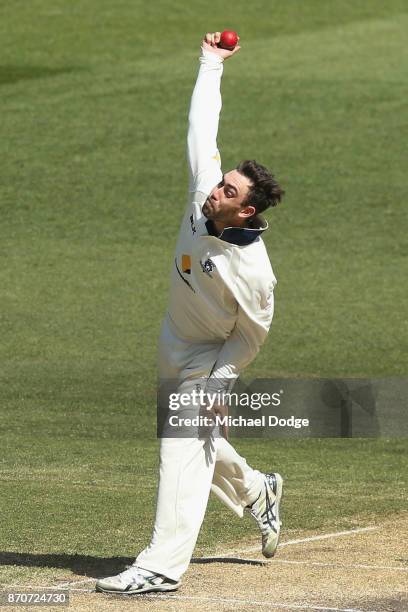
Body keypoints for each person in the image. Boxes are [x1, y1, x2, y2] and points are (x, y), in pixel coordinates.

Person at [96, 30, 285, 596]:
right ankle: (257, 489)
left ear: (244, 209)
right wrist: (210, 62)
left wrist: (219, 386)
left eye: (227, 191)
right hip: (174, 336)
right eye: (220, 183)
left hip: (211, 354)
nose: (215, 190)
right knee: (195, 439)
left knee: (179, 444)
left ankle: (161, 565)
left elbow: (251, 339)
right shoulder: (205, 189)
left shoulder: (255, 275)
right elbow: (203, 128)